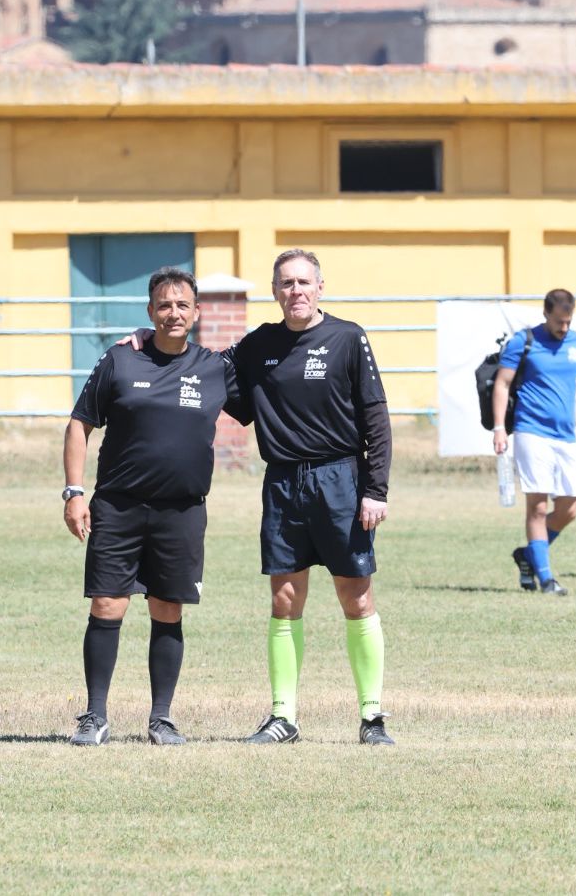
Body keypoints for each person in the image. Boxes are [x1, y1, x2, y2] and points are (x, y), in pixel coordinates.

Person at [119, 247, 394, 746]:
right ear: (274, 291)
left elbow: (376, 416)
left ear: (320, 288)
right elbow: (201, 365)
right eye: (286, 284)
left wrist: (375, 489)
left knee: (357, 596)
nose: (296, 292)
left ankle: (372, 718)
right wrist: (149, 337)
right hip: (284, 484)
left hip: (341, 482)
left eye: (304, 283)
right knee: (285, 598)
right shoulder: (258, 345)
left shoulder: (348, 338)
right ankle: (283, 716)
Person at [61, 266, 245, 746]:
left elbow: (267, 395)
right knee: (107, 605)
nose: (173, 313)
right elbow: (80, 423)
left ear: (198, 312)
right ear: (150, 312)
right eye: (164, 305)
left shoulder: (215, 368)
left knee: (168, 610)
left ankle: (161, 717)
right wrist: (74, 491)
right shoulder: (120, 360)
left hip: (181, 512)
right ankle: (94, 716)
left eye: (183, 305)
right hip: (118, 508)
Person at [492, 288, 576, 596]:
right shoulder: (524, 341)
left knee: (570, 508)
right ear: (546, 314)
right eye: (559, 321)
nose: (564, 327)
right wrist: (498, 428)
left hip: (565, 436)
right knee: (537, 506)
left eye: (568, 321)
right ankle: (547, 579)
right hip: (530, 430)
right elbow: (503, 383)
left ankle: (528, 555)